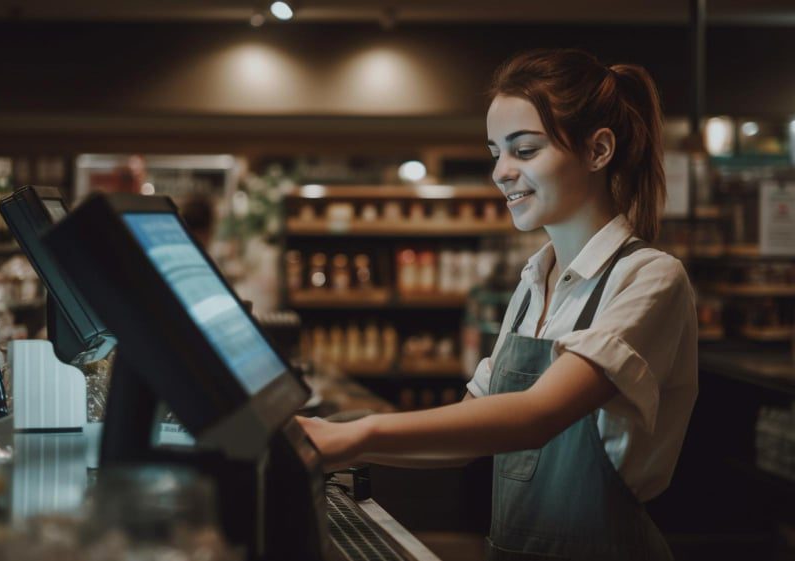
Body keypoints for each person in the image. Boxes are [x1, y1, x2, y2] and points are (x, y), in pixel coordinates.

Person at [297, 48, 698, 561]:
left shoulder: (649, 278)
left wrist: (360, 434)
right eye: (495, 153)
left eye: (524, 150)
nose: (501, 172)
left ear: (598, 151)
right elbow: (472, 430)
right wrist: (334, 439)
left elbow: (537, 415)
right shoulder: (534, 280)